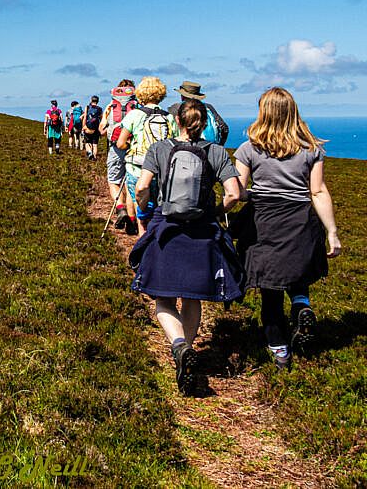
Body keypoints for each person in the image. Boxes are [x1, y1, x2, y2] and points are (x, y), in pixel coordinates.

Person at [129, 99, 244, 395]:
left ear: (176, 121)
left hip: (168, 228)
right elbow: (233, 193)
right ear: (205, 123)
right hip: (203, 230)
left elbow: (142, 187)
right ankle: (188, 349)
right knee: (193, 297)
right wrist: (217, 213)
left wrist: (145, 207)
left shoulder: (160, 149)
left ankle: (179, 347)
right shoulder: (216, 152)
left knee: (163, 299)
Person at [232, 87, 341, 370]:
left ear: (263, 113)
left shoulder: (248, 149)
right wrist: (332, 231)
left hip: (264, 222)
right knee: (296, 273)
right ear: (293, 112)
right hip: (300, 221)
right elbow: (317, 192)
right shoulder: (311, 150)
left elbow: (240, 191)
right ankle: (301, 306)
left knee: (270, 290)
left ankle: (280, 352)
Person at [117, 76, 179, 236]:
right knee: (159, 213)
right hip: (162, 170)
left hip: (137, 169)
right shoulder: (169, 117)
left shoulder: (134, 115)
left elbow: (120, 143)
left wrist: (132, 146)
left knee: (143, 216)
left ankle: (143, 251)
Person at [100, 81, 137, 232]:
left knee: (114, 181)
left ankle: (120, 208)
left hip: (115, 148)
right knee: (129, 183)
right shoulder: (137, 106)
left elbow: (102, 130)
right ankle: (132, 220)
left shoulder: (111, 106)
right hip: (132, 147)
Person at [168, 81, 229, 146]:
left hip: (183, 147)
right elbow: (224, 128)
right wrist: (219, 145)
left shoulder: (175, 108)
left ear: (182, 95)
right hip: (208, 146)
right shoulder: (208, 107)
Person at [82, 95, 102, 161]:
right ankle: (95, 158)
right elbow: (101, 119)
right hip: (96, 129)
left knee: (87, 142)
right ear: (98, 101)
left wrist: (84, 126)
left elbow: (85, 117)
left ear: (91, 100)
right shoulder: (99, 109)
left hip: (88, 128)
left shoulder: (87, 107)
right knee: (95, 144)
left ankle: (90, 153)